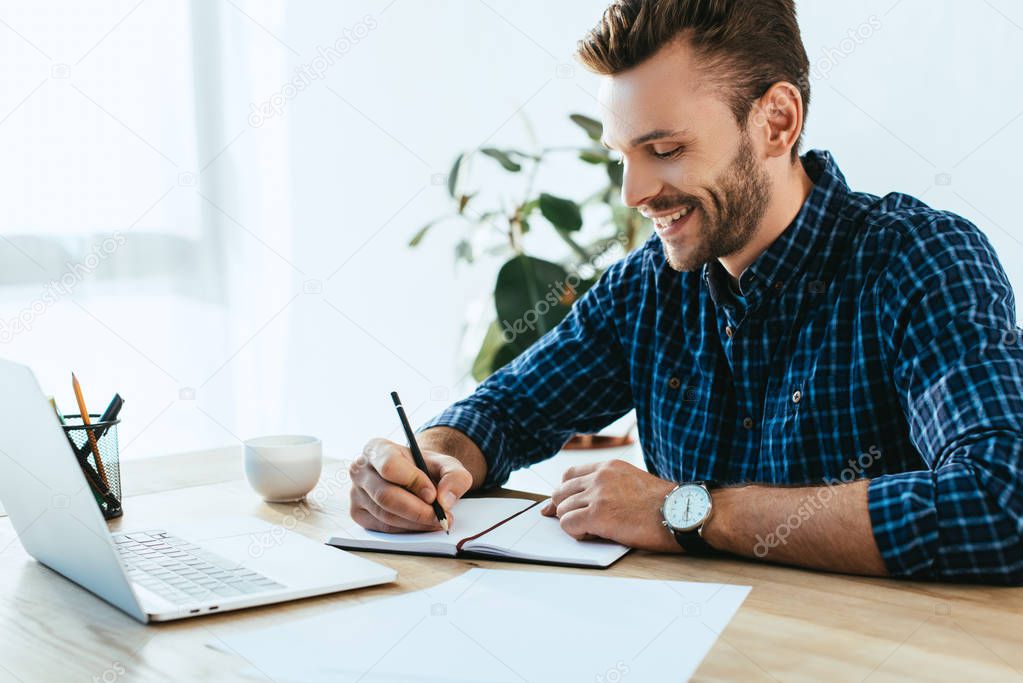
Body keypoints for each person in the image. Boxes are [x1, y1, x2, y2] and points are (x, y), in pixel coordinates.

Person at [349, 0, 1023, 584]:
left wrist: (685, 509)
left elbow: (1002, 499)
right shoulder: (647, 287)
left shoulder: (921, 259)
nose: (632, 193)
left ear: (776, 122)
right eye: (622, 156)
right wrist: (432, 457)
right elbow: (505, 413)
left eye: (665, 150)